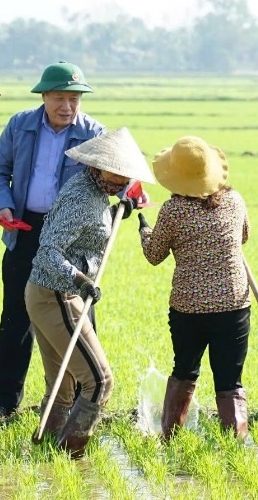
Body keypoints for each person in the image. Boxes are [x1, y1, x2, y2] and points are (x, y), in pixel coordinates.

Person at [0, 61, 105, 422]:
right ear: (44, 96)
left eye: (74, 99)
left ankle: (83, 401)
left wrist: (128, 189)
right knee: (16, 317)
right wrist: (2, 205)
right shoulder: (21, 126)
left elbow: (114, 177)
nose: (67, 106)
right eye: (60, 98)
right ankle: (4, 402)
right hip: (26, 230)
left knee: (79, 314)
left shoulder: (94, 134)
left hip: (70, 238)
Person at [27, 127, 152, 458]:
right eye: (115, 172)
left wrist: (116, 212)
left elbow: (87, 230)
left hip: (44, 293)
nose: (120, 179)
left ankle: (47, 457)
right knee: (100, 381)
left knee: (63, 387)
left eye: (125, 174)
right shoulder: (83, 197)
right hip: (56, 294)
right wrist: (80, 280)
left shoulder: (95, 194)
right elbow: (48, 251)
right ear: (96, 167)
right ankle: (71, 456)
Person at [139, 136, 252, 440]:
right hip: (233, 303)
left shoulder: (173, 211)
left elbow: (154, 256)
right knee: (230, 379)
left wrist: (145, 231)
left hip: (188, 307)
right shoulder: (234, 200)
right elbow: (243, 237)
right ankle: (236, 441)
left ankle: (170, 435)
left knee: (185, 370)